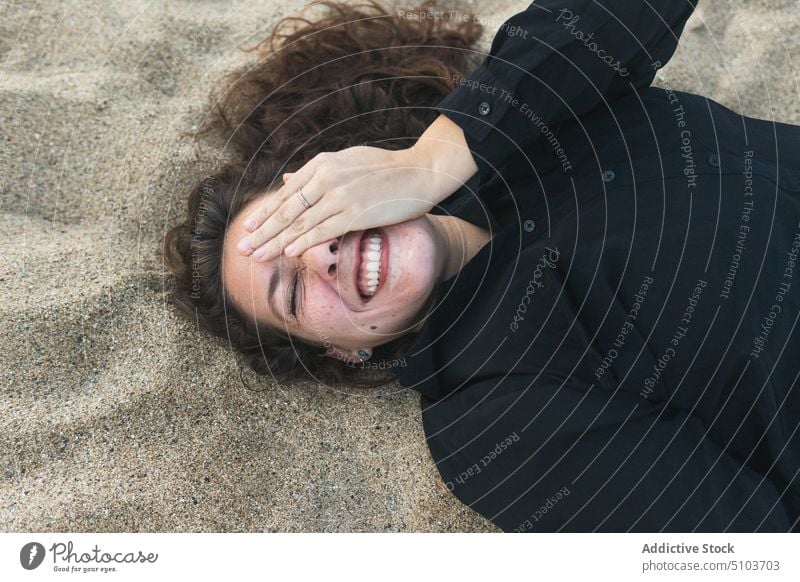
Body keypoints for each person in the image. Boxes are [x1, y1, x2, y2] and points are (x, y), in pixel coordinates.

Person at [164, 0, 800, 532]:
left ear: (341, 175)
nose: (321, 253)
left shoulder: (519, 126)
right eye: (291, 292)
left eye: (302, 218)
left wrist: (432, 160)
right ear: (343, 352)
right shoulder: (490, 422)